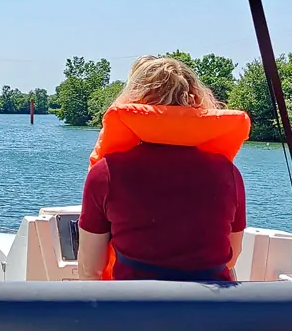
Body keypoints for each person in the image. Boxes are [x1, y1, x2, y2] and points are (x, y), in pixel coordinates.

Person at [77, 56, 249, 282]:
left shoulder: (106, 173)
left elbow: (91, 270)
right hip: (211, 313)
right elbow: (231, 258)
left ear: (135, 101)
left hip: (136, 312)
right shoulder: (228, 173)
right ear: (196, 101)